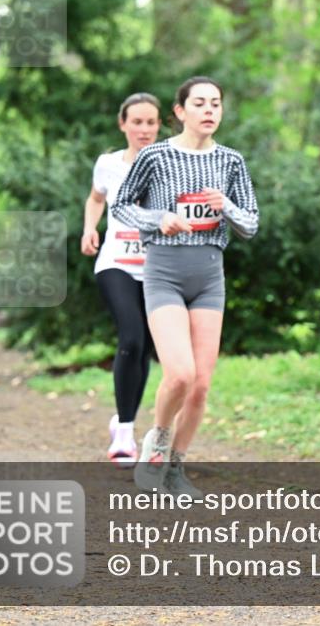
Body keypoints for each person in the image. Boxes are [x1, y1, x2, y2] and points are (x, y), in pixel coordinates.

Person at [111, 76, 259, 497]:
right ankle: (156, 441)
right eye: (200, 103)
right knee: (180, 374)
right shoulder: (156, 156)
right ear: (180, 112)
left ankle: (175, 468)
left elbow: (251, 223)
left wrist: (225, 206)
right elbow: (122, 205)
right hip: (164, 271)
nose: (209, 110)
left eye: (216, 103)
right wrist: (158, 219)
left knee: (201, 384)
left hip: (209, 276)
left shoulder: (231, 161)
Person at [81, 93, 161, 468]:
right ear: (123, 124)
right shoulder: (108, 164)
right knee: (130, 336)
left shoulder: (169, 162)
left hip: (158, 266)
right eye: (137, 122)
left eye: (151, 122)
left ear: (160, 125)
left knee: (144, 347)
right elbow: (96, 198)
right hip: (116, 262)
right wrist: (89, 228)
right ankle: (126, 435)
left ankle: (123, 420)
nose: (144, 129)